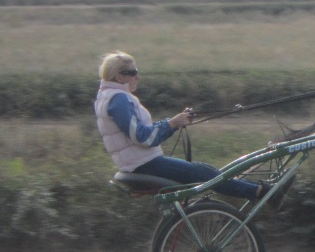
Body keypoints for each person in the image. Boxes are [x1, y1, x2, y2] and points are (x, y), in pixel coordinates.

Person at [95, 50, 283, 204]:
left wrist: (175, 122)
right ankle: (262, 193)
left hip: (138, 163)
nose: (138, 77)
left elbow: (143, 132)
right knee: (203, 173)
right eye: (133, 72)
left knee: (204, 170)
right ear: (120, 76)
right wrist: (172, 124)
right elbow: (142, 137)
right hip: (143, 165)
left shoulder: (110, 96)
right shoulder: (119, 99)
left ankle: (256, 191)